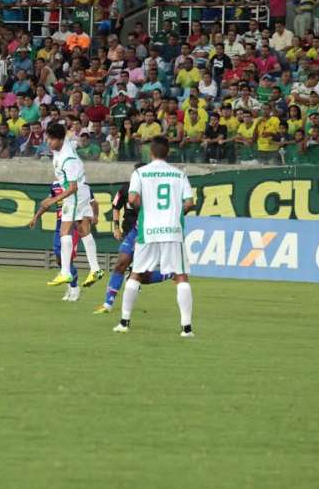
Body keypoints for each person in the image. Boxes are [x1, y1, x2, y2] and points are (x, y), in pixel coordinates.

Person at [114, 137, 196, 337]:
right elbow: (190, 202)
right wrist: (177, 214)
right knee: (181, 276)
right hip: (172, 230)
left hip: (148, 230)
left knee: (136, 273)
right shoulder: (179, 174)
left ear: (151, 153)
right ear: (168, 153)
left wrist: (146, 210)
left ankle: (124, 322)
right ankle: (186, 328)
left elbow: (132, 199)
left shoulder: (140, 173)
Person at [28, 122, 103, 288]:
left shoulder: (68, 159)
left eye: (52, 140)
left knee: (65, 231)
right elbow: (68, 131)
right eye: (48, 139)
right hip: (80, 191)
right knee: (82, 229)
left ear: (60, 140)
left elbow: (72, 188)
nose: (48, 143)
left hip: (75, 194)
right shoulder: (64, 145)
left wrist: (53, 200)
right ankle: (95, 269)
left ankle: (66, 273)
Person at [93, 165, 171, 314]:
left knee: (141, 275)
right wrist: (116, 228)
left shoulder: (156, 191)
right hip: (132, 230)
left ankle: (170, 273)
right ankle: (107, 304)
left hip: (149, 233)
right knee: (120, 264)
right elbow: (115, 206)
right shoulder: (126, 188)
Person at [49, 181, 82, 301]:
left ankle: (74, 287)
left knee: (67, 258)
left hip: (71, 223)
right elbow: (51, 200)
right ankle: (70, 283)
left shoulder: (76, 183)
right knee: (59, 257)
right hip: (59, 223)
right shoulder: (54, 185)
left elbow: (92, 202)